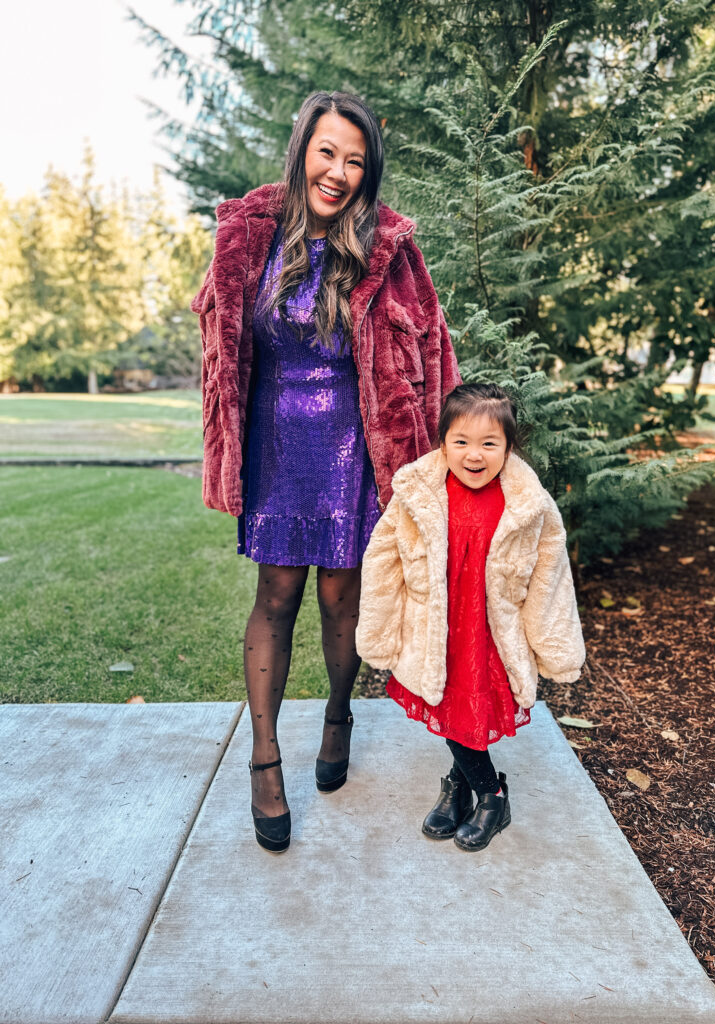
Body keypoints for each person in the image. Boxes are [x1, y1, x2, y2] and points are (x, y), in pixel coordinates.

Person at [191, 91, 461, 853]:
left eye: (354, 159)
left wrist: (439, 454)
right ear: (301, 149)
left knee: (343, 598)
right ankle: (265, 758)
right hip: (276, 442)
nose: (338, 172)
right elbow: (217, 317)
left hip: (353, 444)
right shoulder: (253, 236)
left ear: (367, 171)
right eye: (327, 153)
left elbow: (433, 348)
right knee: (275, 595)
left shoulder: (388, 248)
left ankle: (338, 713)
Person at [356, 383, 585, 851]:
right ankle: (471, 786)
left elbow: (550, 578)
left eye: (489, 443)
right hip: (437, 631)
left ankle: (489, 794)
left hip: (488, 638)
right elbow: (382, 561)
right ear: (443, 442)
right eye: (461, 441)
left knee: (466, 716)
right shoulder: (418, 493)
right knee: (451, 712)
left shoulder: (528, 504)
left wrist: (554, 647)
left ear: (509, 445)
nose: (474, 455)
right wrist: (380, 629)